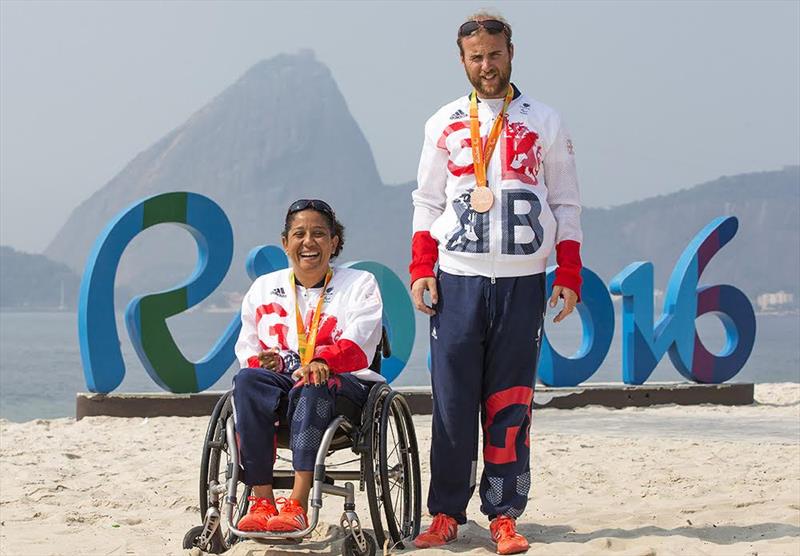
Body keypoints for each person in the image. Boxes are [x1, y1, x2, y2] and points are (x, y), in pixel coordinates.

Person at [409, 12, 583, 555]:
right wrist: (420, 270)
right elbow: (427, 201)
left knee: (510, 401)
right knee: (453, 401)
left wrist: (569, 272)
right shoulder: (442, 122)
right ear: (462, 61)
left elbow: (566, 202)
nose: (487, 65)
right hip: (457, 278)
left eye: (495, 53)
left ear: (512, 52)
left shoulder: (546, 120)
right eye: (476, 57)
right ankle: (445, 513)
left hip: (523, 280)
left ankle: (504, 513)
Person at [232, 199, 384, 533]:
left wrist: (322, 360)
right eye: (299, 234)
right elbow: (247, 348)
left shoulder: (359, 283)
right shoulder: (263, 287)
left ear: (334, 242)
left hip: (342, 388)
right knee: (247, 381)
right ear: (285, 243)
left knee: (315, 382)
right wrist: (264, 361)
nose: (308, 242)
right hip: (283, 387)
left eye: (319, 233)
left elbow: (361, 344)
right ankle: (261, 500)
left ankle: (298, 504)